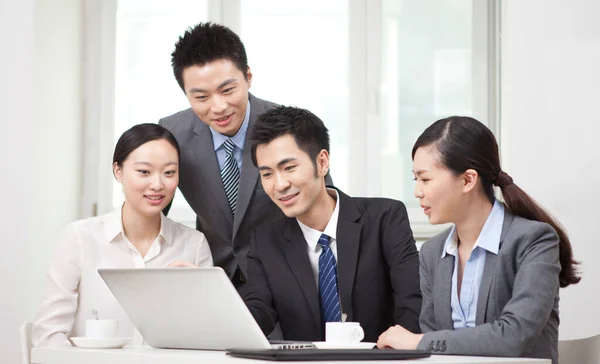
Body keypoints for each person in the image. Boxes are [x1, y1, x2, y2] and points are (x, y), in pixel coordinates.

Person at [376, 116, 580, 364]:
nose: (417, 191)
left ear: (468, 180)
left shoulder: (533, 240)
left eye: (425, 179)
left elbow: (514, 336)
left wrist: (416, 342)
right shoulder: (432, 253)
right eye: (415, 179)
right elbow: (433, 347)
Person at [159, 22, 332, 287]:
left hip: (288, 278)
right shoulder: (173, 134)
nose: (218, 107)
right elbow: (154, 211)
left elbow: (324, 208)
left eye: (228, 90)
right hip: (213, 279)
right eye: (201, 97)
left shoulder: (290, 128)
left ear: (248, 76)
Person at [242, 106, 422, 342]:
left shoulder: (385, 218)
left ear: (322, 162)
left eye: (289, 168)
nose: (279, 184)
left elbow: (412, 306)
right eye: (267, 174)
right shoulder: (265, 240)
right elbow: (257, 313)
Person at [32, 123, 213, 347]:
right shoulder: (79, 238)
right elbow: (48, 335)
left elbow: (206, 340)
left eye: (169, 173)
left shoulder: (193, 245)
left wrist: (206, 298)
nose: (157, 184)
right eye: (144, 172)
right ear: (118, 171)